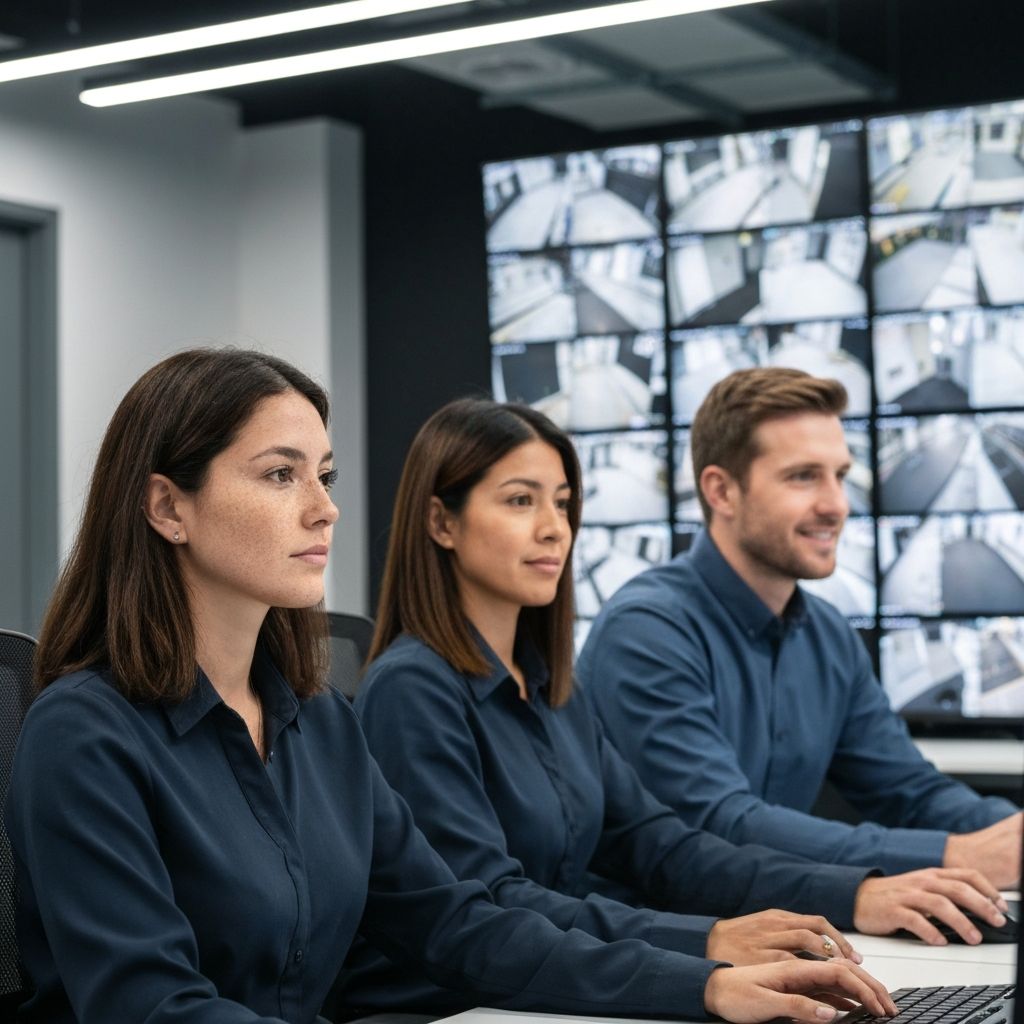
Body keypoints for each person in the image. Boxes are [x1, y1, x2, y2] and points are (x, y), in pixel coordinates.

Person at [4, 349, 897, 1024]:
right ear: (168, 507)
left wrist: (703, 985)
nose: (324, 508)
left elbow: (458, 921)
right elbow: (155, 1009)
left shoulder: (318, 721)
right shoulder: (85, 734)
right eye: (280, 475)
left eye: (324, 476)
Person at [340, 398, 1007, 1017]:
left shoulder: (548, 686)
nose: (554, 529)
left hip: (555, 988)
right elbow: (489, 908)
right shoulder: (413, 691)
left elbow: (660, 846)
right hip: (456, 1006)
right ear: (441, 522)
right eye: (520, 501)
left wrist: (851, 894)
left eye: (564, 503)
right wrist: (707, 943)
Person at [578, 367, 1022, 901]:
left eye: (840, 474)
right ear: (721, 491)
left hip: (781, 931)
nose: (837, 504)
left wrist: (1007, 834)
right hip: (657, 952)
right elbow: (720, 825)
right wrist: (955, 856)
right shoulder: (646, 632)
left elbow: (910, 792)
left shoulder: (828, 634)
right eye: (803, 476)